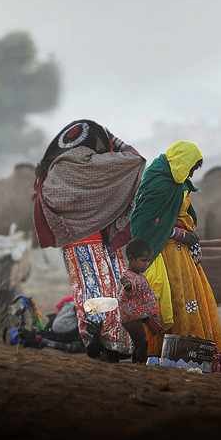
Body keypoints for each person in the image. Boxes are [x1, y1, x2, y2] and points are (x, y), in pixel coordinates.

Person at [32, 119, 146, 360]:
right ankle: (112, 343)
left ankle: (90, 336)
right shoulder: (100, 165)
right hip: (101, 240)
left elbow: (46, 204)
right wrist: (112, 138)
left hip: (73, 244)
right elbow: (135, 158)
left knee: (85, 291)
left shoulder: (56, 171)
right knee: (111, 290)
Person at [129, 141, 221, 365]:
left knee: (188, 302)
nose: (192, 173)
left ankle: (186, 354)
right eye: (191, 167)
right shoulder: (157, 183)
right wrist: (181, 235)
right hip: (165, 255)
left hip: (183, 256)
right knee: (172, 301)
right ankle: (161, 354)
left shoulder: (179, 182)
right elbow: (144, 223)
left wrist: (190, 232)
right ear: (182, 162)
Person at [118, 238, 165, 364]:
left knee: (139, 344)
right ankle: (141, 365)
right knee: (143, 343)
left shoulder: (140, 274)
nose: (147, 264)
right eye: (144, 260)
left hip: (138, 314)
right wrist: (127, 286)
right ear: (131, 259)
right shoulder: (128, 276)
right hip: (130, 316)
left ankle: (136, 365)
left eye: (149, 261)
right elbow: (129, 288)